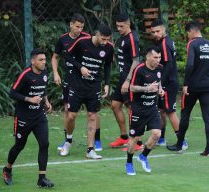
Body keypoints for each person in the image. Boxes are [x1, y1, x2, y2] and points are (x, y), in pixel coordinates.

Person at [51, 13, 104, 151]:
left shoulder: (87, 38)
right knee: (68, 110)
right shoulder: (63, 39)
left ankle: (97, 140)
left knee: (93, 111)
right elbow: (55, 57)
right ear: (71, 24)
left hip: (86, 80)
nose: (79, 30)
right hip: (70, 79)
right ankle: (67, 140)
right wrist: (56, 73)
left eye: (81, 27)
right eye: (77, 27)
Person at [60, 23, 114, 159]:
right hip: (77, 85)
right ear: (96, 34)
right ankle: (68, 140)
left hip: (94, 86)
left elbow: (107, 66)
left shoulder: (108, 48)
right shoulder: (82, 42)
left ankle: (90, 149)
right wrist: (80, 67)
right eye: (103, 38)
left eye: (107, 39)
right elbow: (66, 55)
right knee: (71, 115)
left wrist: (106, 84)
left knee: (92, 116)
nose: (105, 42)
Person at [2, 48, 54, 188]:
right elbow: (12, 93)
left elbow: (43, 89)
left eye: (44, 59)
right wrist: (29, 99)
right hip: (23, 117)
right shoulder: (25, 75)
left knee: (44, 144)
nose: (44, 62)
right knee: (19, 145)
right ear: (32, 61)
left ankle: (42, 179)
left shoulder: (44, 72)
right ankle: (7, 168)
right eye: (40, 60)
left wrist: (46, 102)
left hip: (39, 117)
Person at [167, 21, 209, 156]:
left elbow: (189, 65)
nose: (187, 36)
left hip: (193, 86)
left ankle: (180, 145)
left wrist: (186, 84)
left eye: (187, 33)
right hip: (206, 85)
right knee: (207, 116)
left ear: (191, 31)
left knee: (185, 114)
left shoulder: (192, 44)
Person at [125, 45, 164, 175]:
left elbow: (158, 82)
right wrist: (147, 89)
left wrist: (160, 90)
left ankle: (143, 156)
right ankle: (129, 163)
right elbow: (132, 88)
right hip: (138, 110)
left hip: (152, 108)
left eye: (159, 57)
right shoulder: (139, 70)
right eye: (155, 57)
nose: (158, 60)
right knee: (135, 138)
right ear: (148, 57)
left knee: (157, 134)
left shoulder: (159, 69)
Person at [150, 19, 188, 149]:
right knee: (161, 110)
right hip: (167, 81)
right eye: (153, 32)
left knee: (170, 111)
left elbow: (169, 65)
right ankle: (161, 138)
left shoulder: (165, 43)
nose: (155, 34)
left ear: (164, 29)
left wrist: (160, 82)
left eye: (158, 31)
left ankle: (181, 141)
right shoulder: (166, 41)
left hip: (168, 83)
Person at [109, 13, 143, 151]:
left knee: (131, 109)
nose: (119, 28)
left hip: (130, 79)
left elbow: (136, 60)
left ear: (128, 24)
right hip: (123, 77)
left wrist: (128, 81)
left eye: (121, 26)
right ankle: (124, 137)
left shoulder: (132, 38)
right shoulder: (123, 37)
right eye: (117, 26)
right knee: (115, 105)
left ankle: (138, 143)